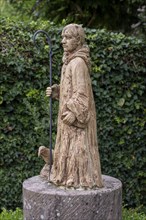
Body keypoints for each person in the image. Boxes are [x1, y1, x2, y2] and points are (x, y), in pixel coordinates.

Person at [46, 24, 103, 188]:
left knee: (78, 149)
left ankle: (80, 180)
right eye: (63, 37)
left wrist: (73, 112)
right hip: (67, 117)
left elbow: (82, 93)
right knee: (68, 147)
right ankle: (66, 177)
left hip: (75, 119)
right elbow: (70, 89)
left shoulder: (78, 63)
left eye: (68, 37)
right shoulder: (68, 62)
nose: (63, 41)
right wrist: (58, 91)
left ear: (78, 41)